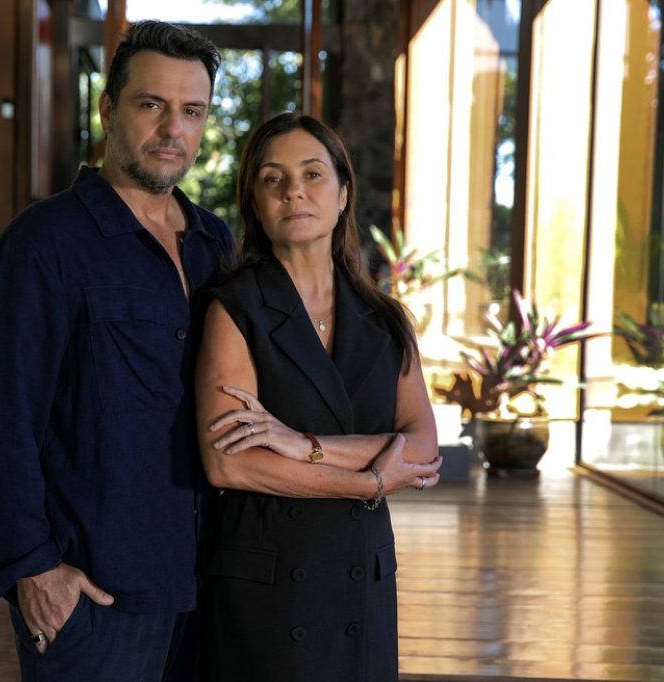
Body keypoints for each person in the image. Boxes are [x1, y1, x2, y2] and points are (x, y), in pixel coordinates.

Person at [0, 21, 232, 682]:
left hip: (210, 580)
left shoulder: (215, 243)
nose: (173, 129)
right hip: (95, 589)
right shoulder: (42, 244)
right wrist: (30, 566)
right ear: (108, 110)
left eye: (192, 111)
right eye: (151, 104)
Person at [194, 112, 443, 682]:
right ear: (255, 202)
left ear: (343, 192)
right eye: (273, 179)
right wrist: (370, 480)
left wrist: (299, 443)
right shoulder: (234, 308)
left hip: (362, 571)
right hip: (268, 578)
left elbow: (424, 447)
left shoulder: (386, 319)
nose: (294, 191)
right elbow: (229, 464)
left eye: (312, 174)